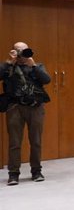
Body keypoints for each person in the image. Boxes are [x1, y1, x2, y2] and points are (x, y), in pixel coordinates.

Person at [1, 42, 51, 185]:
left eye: (25, 50)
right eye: (19, 51)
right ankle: (13, 173)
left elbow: (47, 79)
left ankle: (36, 171)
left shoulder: (36, 66)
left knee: (36, 141)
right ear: (14, 52)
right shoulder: (8, 67)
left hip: (35, 107)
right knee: (14, 142)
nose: (22, 54)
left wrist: (33, 65)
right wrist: (8, 62)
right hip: (15, 107)